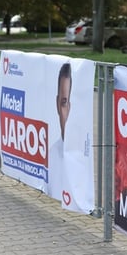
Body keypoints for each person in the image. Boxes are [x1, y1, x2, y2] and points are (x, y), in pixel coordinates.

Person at [47, 62, 71, 200]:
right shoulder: (50, 158)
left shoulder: (86, 153)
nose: (66, 113)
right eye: (63, 103)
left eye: (67, 103)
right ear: (57, 105)